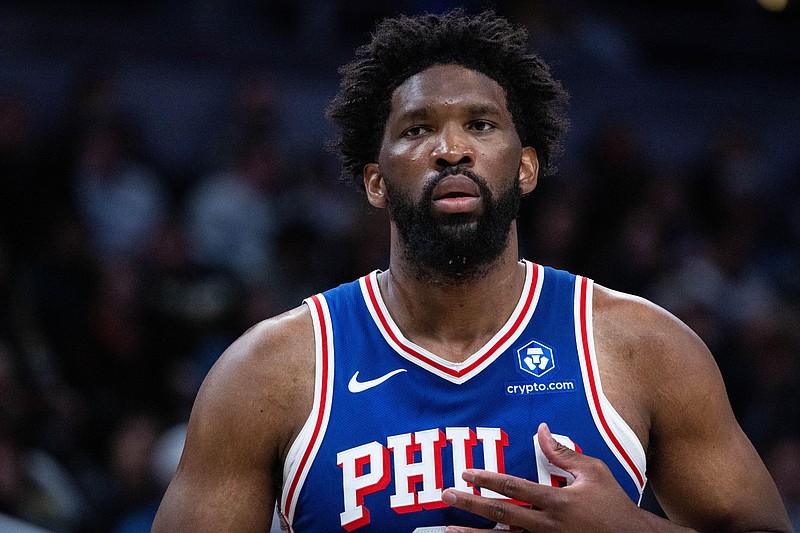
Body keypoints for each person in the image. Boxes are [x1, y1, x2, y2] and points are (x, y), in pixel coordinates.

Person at [152, 10, 791, 532]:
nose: (451, 148)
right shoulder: (268, 370)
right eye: (417, 128)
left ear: (525, 168)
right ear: (375, 182)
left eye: (481, 125)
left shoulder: (642, 346)